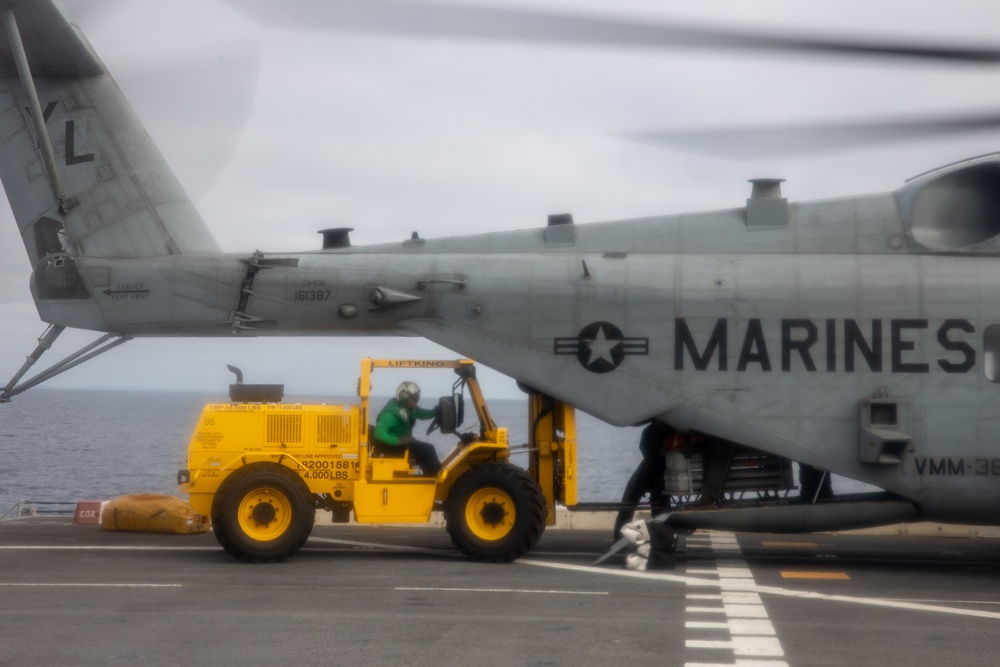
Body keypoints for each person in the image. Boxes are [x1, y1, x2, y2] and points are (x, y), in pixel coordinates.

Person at [614, 420, 675, 539]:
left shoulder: (651, 430)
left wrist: (654, 462)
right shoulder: (666, 430)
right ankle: (660, 538)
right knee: (659, 505)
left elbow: (644, 449)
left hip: (651, 469)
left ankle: (618, 538)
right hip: (659, 471)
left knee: (629, 503)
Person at [373, 381, 442, 476]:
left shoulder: (408, 408)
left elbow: (422, 414)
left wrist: (435, 411)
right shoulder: (390, 414)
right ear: (403, 397)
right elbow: (379, 433)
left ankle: (431, 477)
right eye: (413, 399)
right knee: (428, 450)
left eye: (416, 399)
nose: (415, 402)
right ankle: (435, 480)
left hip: (403, 443)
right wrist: (399, 441)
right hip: (394, 448)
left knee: (428, 449)